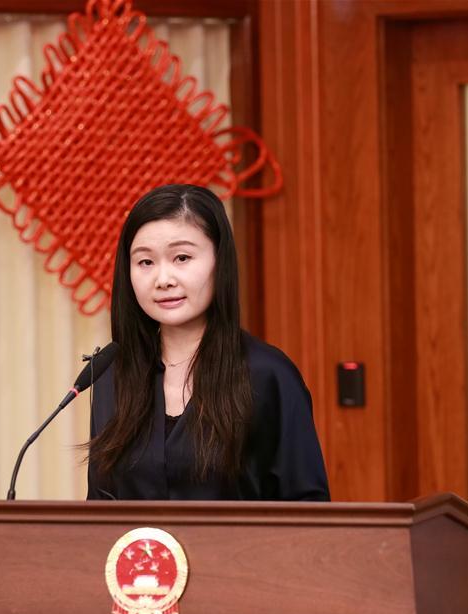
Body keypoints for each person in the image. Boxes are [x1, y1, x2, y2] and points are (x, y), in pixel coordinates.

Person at [87, 184, 330, 501]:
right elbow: (99, 507)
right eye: (145, 262)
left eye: (182, 258)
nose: (163, 279)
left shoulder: (269, 375)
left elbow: (308, 508)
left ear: (220, 261)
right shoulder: (111, 373)